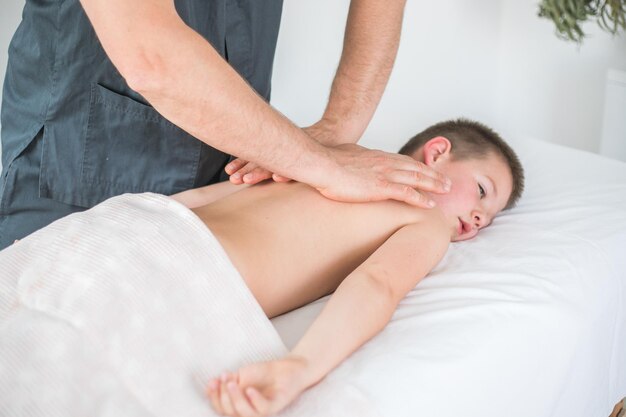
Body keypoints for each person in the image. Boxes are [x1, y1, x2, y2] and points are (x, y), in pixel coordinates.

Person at [0, 0, 450, 251]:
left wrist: (339, 127)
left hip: (231, 160)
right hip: (72, 164)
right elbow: (150, 55)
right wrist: (324, 166)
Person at [164, 118, 524, 416]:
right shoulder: (427, 219)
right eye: (481, 190)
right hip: (190, 278)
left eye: (488, 220)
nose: (479, 218)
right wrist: (300, 367)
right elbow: (378, 284)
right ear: (438, 152)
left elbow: (214, 195)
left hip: (146, 224)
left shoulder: (335, 157)